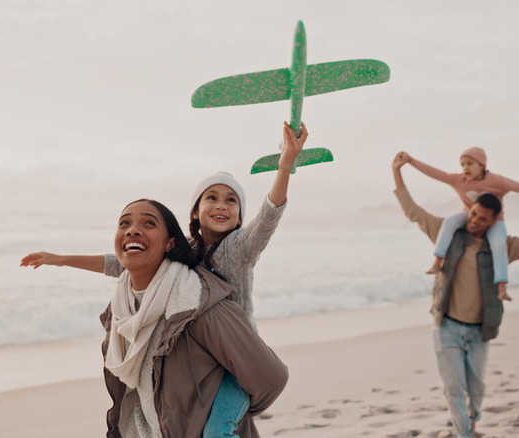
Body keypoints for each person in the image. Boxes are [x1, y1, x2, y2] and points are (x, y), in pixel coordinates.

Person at [21, 121, 308, 438]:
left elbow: (269, 216)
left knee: (218, 430)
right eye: (211, 198)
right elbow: (122, 263)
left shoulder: (240, 248)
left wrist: (284, 166)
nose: (221, 205)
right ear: (195, 212)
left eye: (231, 201)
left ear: (240, 216)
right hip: (206, 355)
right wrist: (61, 260)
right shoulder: (186, 252)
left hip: (236, 357)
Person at [392, 151, 519, 438]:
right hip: (447, 328)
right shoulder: (446, 232)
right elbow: (412, 211)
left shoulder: (504, 246)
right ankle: (464, 433)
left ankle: (473, 418)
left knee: (475, 389)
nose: (475, 220)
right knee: (453, 389)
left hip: (479, 331)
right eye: (473, 213)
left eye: (482, 218)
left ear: (493, 221)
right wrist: (398, 172)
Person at [102, 198, 287, 437]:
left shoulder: (199, 305)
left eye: (149, 223)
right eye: (124, 223)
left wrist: (229, 415)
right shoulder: (121, 313)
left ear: (170, 243)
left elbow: (270, 378)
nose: (133, 230)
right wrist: (60, 260)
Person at [404, 147, 519, 301]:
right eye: (462, 164)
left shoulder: (498, 182)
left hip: (495, 221)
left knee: (498, 245)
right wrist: (410, 160)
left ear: (482, 165)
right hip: (468, 214)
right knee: (448, 222)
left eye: (470, 163)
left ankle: (502, 287)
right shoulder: (459, 180)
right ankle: (437, 261)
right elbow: (435, 173)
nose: (465, 168)